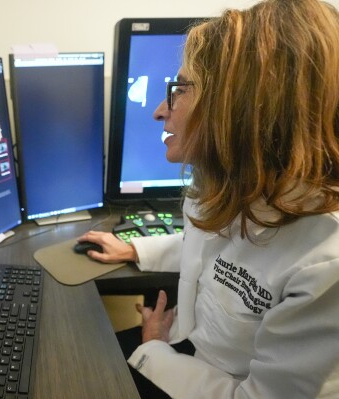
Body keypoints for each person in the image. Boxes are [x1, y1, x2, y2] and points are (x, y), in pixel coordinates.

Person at [78, 0, 339, 397]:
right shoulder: (233, 184)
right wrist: (134, 250)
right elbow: (207, 250)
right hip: (191, 347)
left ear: (241, 109)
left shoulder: (325, 258)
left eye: (180, 90)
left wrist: (153, 351)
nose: (160, 111)